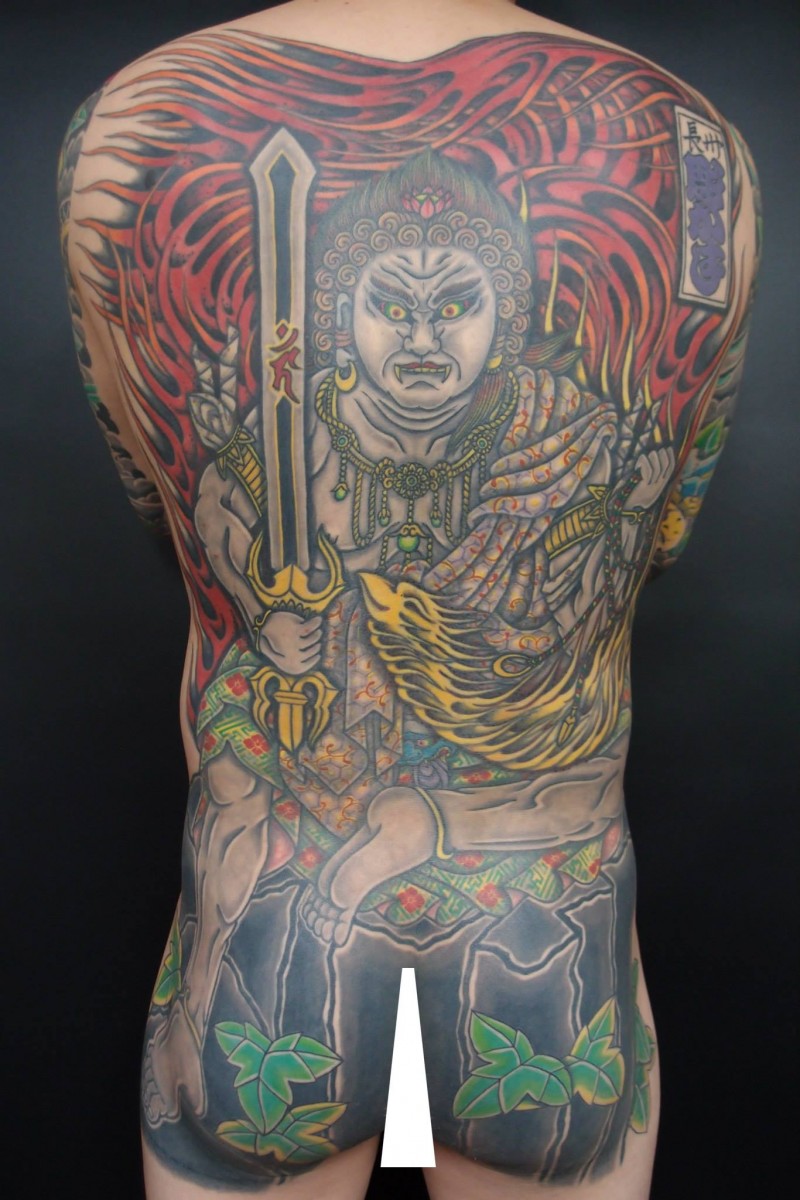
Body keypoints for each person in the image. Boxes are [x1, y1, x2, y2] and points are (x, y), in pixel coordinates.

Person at [58, 2, 760, 1198]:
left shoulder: (124, 130)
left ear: (509, 308)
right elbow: (667, 538)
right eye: (392, 305)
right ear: (340, 310)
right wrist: (284, 610)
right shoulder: (696, 151)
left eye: (456, 305)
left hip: (431, 932)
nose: (424, 339)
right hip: (466, 943)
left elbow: (154, 511)